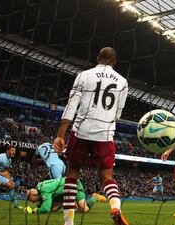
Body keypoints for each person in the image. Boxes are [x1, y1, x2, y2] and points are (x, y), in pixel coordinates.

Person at [53, 47, 129, 225]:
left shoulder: (84, 75)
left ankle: (69, 222)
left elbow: (72, 105)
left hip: (82, 131)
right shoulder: (122, 82)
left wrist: (60, 135)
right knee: (106, 176)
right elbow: (118, 114)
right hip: (105, 134)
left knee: (72, 173)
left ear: (97, 59)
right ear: (115, 62)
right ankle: (115, 207)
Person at [25, 178, 103, 214]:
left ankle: (95, 197)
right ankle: (69, 203)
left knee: (84, 209)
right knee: (53, 209)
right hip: (63, 191)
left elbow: (45, 209)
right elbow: (43, 200)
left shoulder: (45, 191)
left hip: (74, 185)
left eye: (30, 199)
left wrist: (36, 211)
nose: (31, 201)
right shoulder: (39, 186)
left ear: (34, 194)